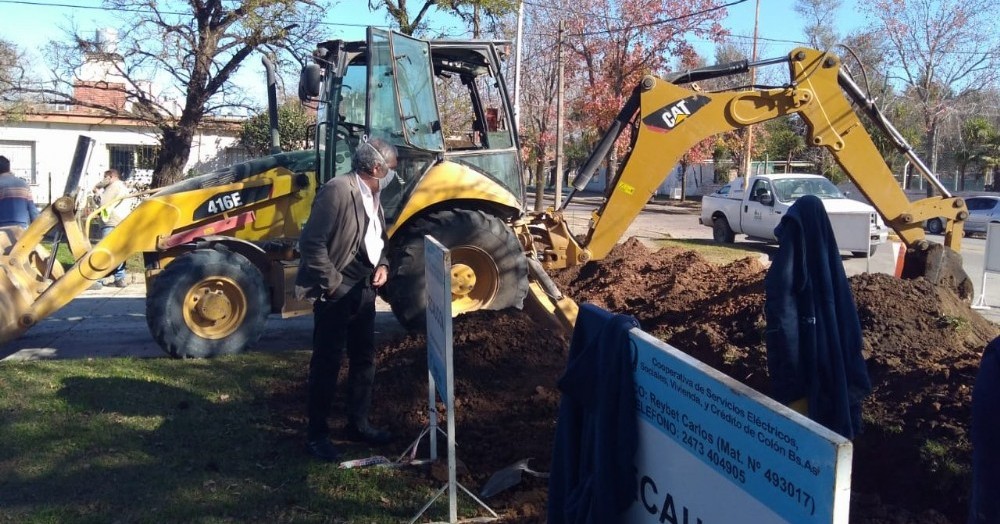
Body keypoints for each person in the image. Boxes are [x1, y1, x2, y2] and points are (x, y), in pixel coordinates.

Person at [295, 137, 397, 462]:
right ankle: (317, 435)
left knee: (364, 358)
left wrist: (383, 264)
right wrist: (333, 285)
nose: (393, 174)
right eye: (391, 169)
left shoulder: (374, 193)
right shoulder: (337, 191)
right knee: (327, 362)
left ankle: (358, 423)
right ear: (376, 167)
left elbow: (376, 237)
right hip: (336, 291)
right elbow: (311, 244)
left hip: (365, 289)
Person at [91, 169, 131, 288]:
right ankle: (120, 278)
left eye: (105, 177)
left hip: (111, 221)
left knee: (105, 250)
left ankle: (96, 279)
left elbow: (103, 203)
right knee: (117, 250)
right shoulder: (122, 186)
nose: (103, 179)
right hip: (120, 220)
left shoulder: (114, 186)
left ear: (111, 177)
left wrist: (96, 191)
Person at [0, 155, 39, 228]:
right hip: (21, 229)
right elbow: (32, 210)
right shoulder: (23, 184)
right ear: (8, 168)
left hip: (2, 229)